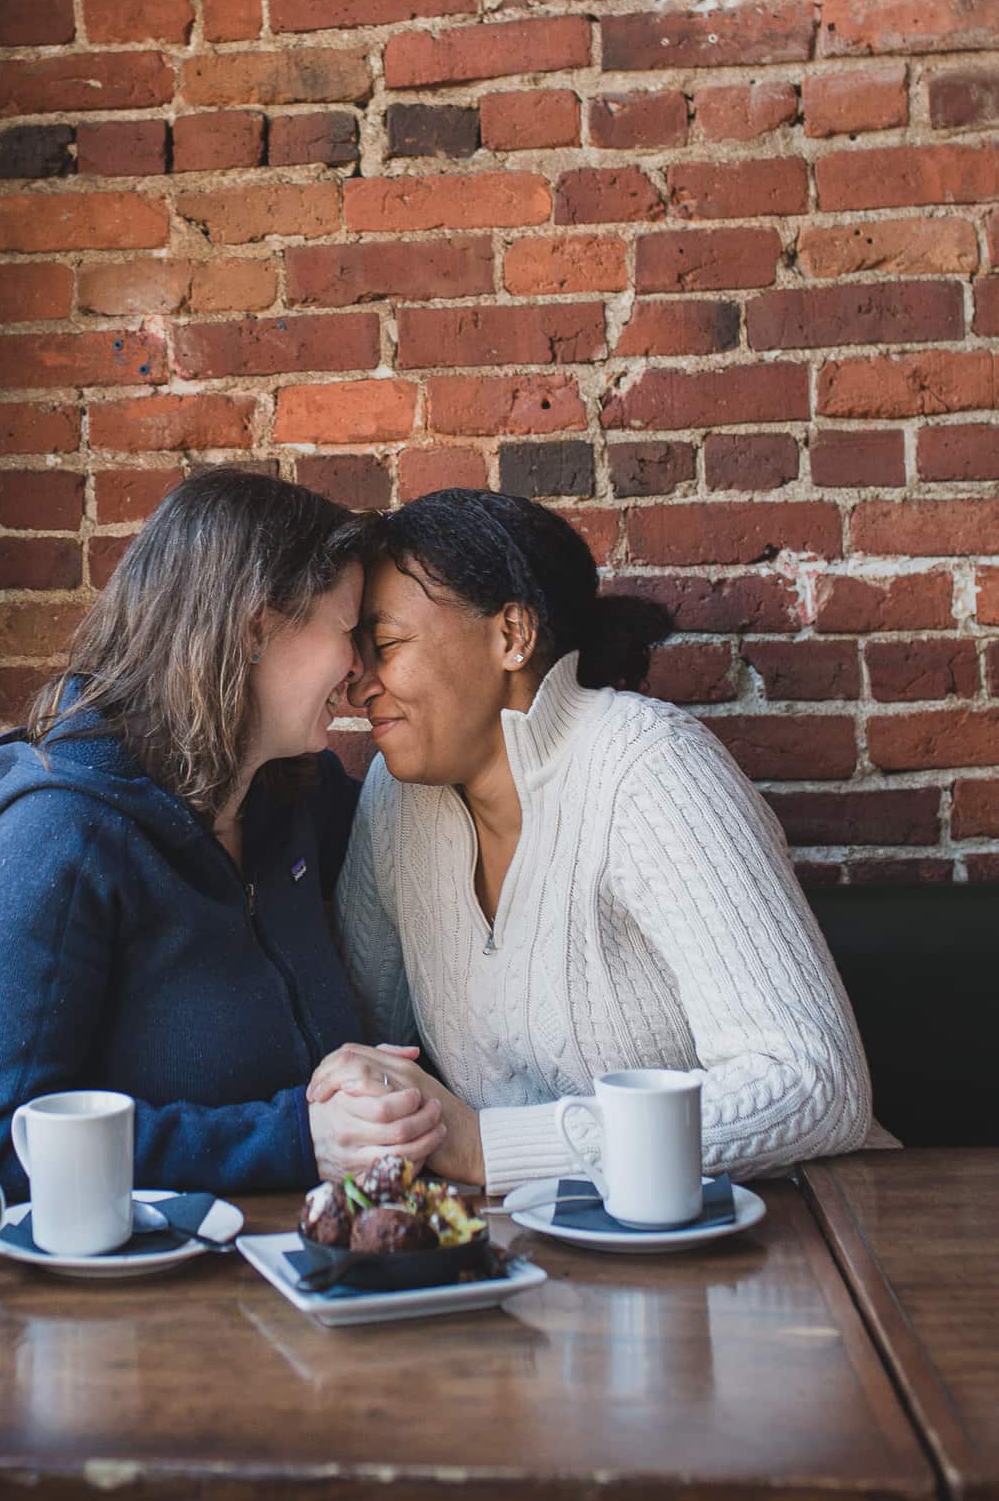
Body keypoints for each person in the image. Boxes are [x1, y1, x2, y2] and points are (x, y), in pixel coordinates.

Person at [311, 489, 876, 1192]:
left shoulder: (649, 769)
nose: (356, 682)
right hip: (527, 1258)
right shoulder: (396, 803)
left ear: (510, 635)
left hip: (777, 1240)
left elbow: (814, 1088)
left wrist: (491, 1148)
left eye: (385, 645)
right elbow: (371, 1040)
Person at [0, 470, 442, 1198]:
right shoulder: (53, 839)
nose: (360, 670)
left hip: (314, 1265)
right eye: (347, 632)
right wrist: (293, 1140)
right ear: (253, 627)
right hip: (145, 1297)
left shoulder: (294, 800)